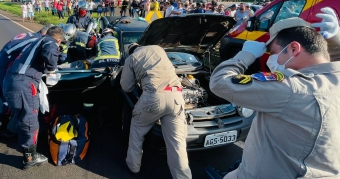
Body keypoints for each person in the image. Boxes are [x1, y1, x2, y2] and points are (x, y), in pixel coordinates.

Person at [209, 15, 340, 178]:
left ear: (293, 49)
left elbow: (219, 82)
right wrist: (336, 44)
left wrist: (245, 56)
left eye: (275, 52)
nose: (272, 59)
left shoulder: (291, 88)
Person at [120, 44, 191, 179]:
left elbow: (127, 87)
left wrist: (137, 78)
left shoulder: (131, 58)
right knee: (177, 143)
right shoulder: (158, 48)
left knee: (137, 131)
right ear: (140, 46)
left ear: (131, 51)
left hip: (153, 98)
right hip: (176, 96)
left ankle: (133, 168)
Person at [3, 26, 64, 170]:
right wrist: (52, 68)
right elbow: (50, 51)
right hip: (23, 83)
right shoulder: (49, 41)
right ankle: (30, 158)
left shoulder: (35, 41)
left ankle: (28, 148)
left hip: (11, 80)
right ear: (59, 40)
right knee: (29, 121)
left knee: (23, 118)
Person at [0, 24, 54, 141]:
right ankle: (0, 129)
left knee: (9, 98)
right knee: (9, 99)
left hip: (1, 64)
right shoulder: (37, 40)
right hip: (5, 68)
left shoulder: (31, 35)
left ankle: (7, 124)